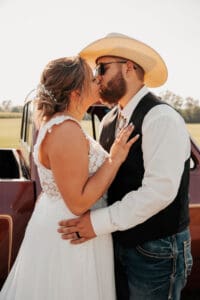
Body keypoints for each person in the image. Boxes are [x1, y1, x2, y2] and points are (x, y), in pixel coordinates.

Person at [58, 33, 193, 300]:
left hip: (157, 250)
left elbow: (158, 192)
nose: (97, 78)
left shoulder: (161, 118)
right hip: (118, 243)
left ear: (129, 67)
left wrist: (96, 224)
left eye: (102, 69)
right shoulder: (109, 120)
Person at [0, 56, 139, 300]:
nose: (98, 80)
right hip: (72, 234)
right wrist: (114, 159)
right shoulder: (66, 130)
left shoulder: (61, 125)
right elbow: (78, 202)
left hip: (64, 224)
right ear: (76, 92)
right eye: (91, 78)